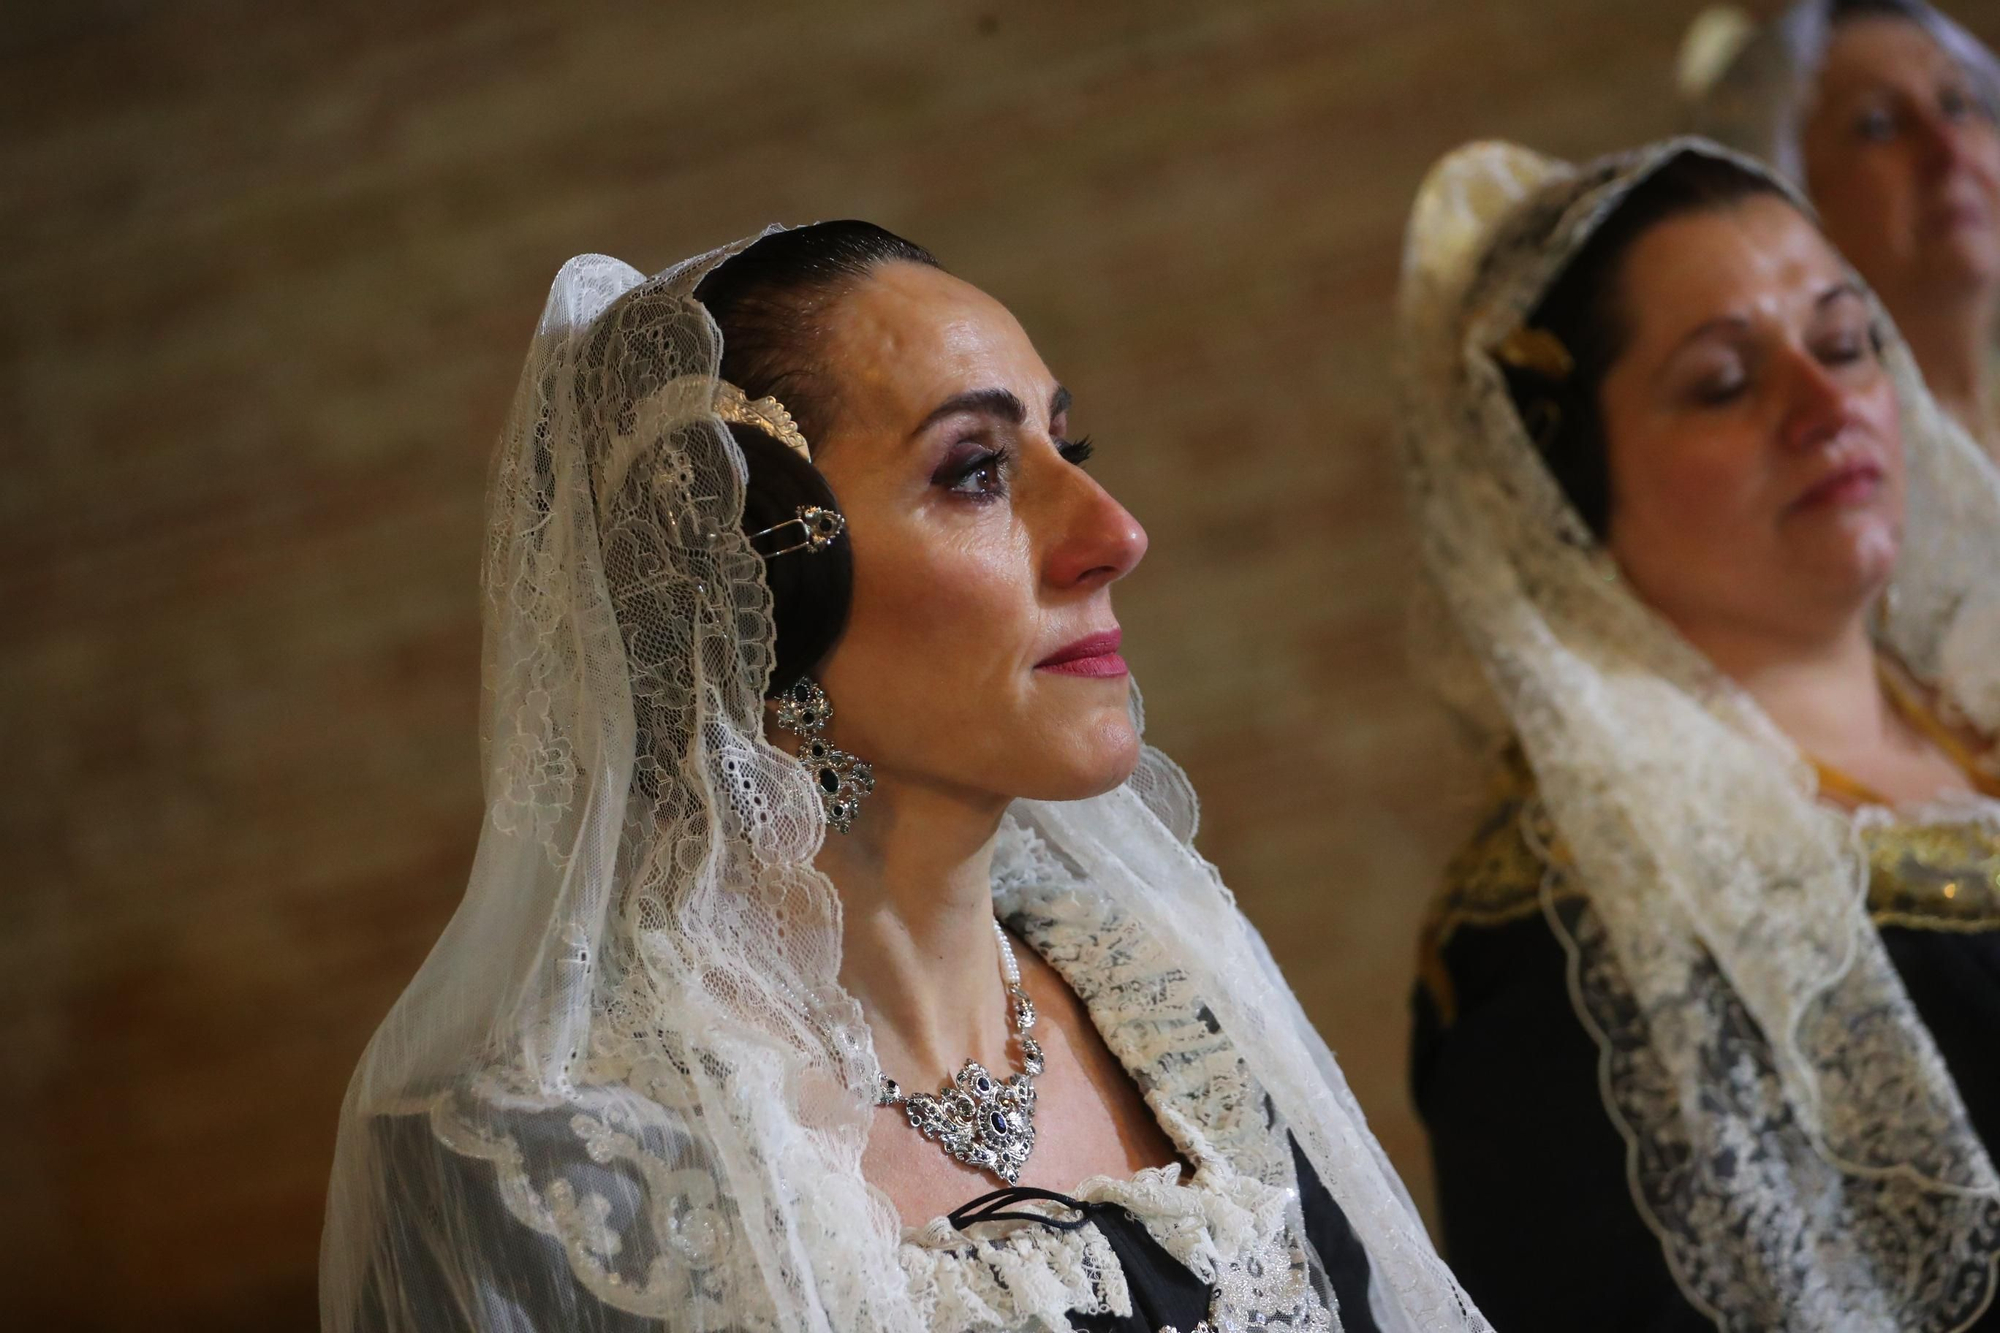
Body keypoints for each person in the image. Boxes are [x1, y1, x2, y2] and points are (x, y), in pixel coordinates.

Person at [319, 222, 1489, 1333]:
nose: (1114, 531)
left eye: (1065, 449)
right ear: (761, 578)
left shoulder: (1181, 1017)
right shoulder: (554, 1162)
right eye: (977, 470)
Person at [1398, 138, 2000, 1331]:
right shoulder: (1563, 931)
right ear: (1560, 488)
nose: (1827, 405)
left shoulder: (1972, 721)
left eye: (1840, 343)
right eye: (1724, 382)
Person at [1686, 0, 2000, 460]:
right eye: (1878, 125)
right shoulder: (1827, 465)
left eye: (1955, 103)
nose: (1946, 150)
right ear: (1793, 201)